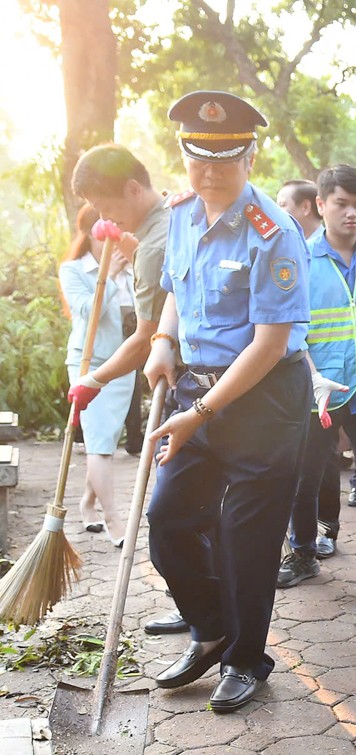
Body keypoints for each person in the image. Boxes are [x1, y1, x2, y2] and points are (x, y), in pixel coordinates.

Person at [143, 90, 311, 713]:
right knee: (169, 519)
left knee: (247, 540)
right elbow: (174, 289)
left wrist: (202, 410)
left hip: (263, 400)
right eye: (197, 157)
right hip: (195, 388)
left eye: (225, 158)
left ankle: (244, 658)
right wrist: (163, 340)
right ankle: (210, 628)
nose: (209, 171)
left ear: (251, 155)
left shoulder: (275, 231)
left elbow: (269, 344)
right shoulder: (181, 212)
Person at [67, 142, 184, 635]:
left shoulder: (158, 238)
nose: (108, 220)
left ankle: (207, 617)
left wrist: (93, 378)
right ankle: (200, 611)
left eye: (109, 206)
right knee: (182, 513)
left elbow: (144, 338)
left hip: (191, 384)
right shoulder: (172, 217)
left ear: (134, 188)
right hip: (191, 379)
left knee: (172, 515)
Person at [277, 164, 356, 611]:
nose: (352, 213)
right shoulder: (300, 260)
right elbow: (291, 328)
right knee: (304, 480)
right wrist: (310, 375)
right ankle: (304, 553)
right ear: (321, 206)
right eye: (342, 204)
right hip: (317, 391)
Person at [60, 204, 136, 546]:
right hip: (88, 364)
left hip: (121, 364)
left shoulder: (130, 267)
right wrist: (107, 277)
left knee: (103, 440)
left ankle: (88, 502)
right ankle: (113, 519)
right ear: (96, 231)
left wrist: (127, 271)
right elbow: (87, 313)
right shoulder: (73, 270)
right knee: (100, 443)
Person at [278, 177, 340, 558]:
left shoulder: (347, 255)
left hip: (350, 383)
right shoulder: (293, 253)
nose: (278, 209)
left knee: (326, 461)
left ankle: (326, 527)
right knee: (306, 463)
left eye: (284, 203)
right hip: (305, 376)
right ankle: (301, 547)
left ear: (307, 207)